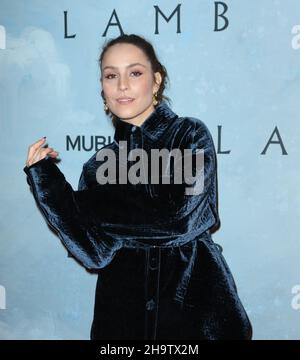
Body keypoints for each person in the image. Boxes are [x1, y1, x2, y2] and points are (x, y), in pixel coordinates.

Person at [23, 34, 252, 340]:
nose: (122, 85)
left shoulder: (189, 135)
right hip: (121, 327)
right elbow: (93, 251)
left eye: (134, 72)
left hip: (195, 324)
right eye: (111, 75)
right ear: (103, 91)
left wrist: (92, 207)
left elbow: (179, 218)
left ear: (156, 81)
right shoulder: (98, 166)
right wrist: (47, 181)